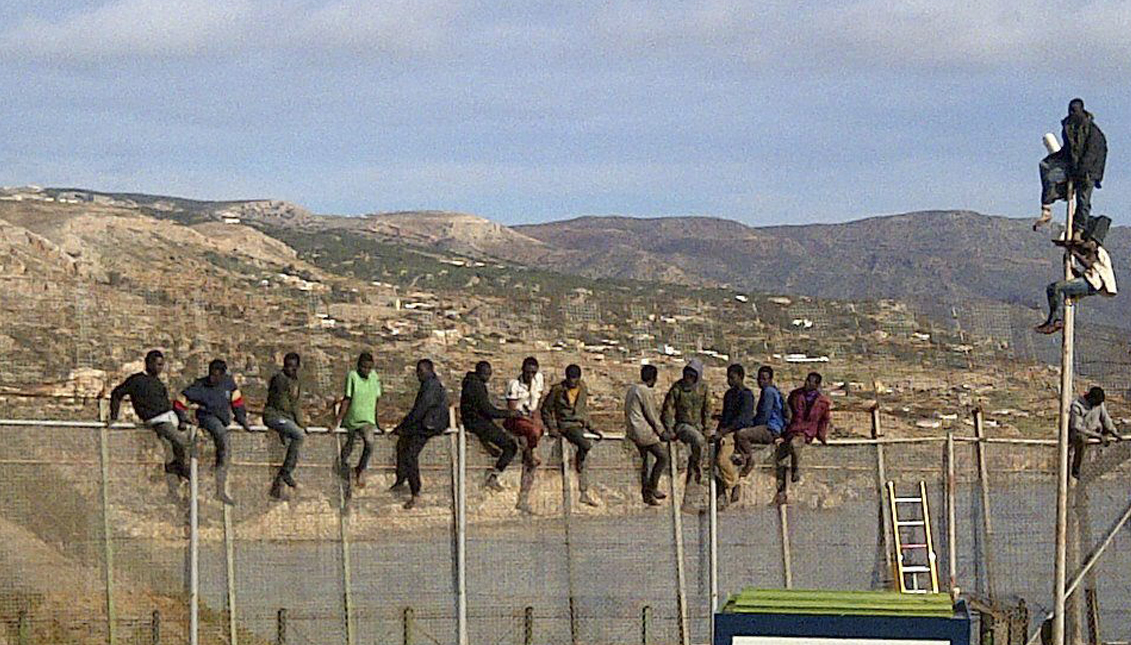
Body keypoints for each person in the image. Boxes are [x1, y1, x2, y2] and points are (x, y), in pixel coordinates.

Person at [109, 349, 191, 481]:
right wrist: (113, 417)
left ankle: (173, 489)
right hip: (158, 420)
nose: (160, 368)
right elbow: (116, 394)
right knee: (182, 442)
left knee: (170, 453)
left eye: (161, 365)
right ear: (148, 363)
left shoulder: (158, 383)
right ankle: (182, 468)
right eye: (158, 364)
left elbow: (167, 403)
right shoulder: (136, 380)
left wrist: (180, 419)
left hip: (169, 417)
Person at [179, 359, 251, 505]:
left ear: (223, 375)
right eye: (211, 375)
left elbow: (237, 403)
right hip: (207, 417)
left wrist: (242, 419)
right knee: (221, 435)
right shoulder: (200, 384)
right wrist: (182, 417)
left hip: (223, 419)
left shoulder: (229, 384)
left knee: (224, 454)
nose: (213, 378)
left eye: (217, 375)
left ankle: (220, 489)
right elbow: (181, 399)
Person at [1037, 98, 1107, 235]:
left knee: (1083, 200)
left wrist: (1083, 171)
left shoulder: (1093, 132)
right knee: (1048, 169)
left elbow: (1092, 153)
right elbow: (1069, 150)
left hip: (1089, 172)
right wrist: (1055, 158)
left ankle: (1078, 230)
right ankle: (1047, 207)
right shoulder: (1069, 128)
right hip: (1073, 167)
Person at [391, 359, 449, 509]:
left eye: (420, 371)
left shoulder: (430, 385)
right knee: (403, 444)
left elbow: (420, 409)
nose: (418, 375)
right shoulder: (430, 383)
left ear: (429, 370)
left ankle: (415, 492)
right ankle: (401, 479)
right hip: (427, 422)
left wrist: (403, 425)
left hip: (429, 425)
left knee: (410, 454)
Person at [542, 364, 602, 507]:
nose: (572, 382)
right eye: (570, 378)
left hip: (579, 425)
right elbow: (546, 409)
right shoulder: (558, 390)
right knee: (585, 445)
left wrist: (592, 428)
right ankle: (578, 463)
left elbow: (583, 411)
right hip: (567, 425)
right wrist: (552, 427)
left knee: (584, 457)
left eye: (574, 378)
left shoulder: (582, 388)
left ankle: (583, 491)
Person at [1035, 238, 1117, 334]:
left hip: (1093, 285)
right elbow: (1092, 272)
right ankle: (1052, 320)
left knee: (1056, 288)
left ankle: (1056, 320)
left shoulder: (1098, 251)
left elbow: (1088, 264)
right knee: (1059, 290)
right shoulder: (1093, 252)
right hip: (1092, 284)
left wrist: (1074, 252)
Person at [460, 361, 519, 492]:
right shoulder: (476, 386)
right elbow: (488, 411)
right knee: (511, 446)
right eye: (486, 374)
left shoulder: (470, 383)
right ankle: (493, 476)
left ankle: (490, 451)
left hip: (475, 421)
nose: (488, 377)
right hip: (477, 423)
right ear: (480, 372)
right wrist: (509, 414)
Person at [775, 372, 832, 505]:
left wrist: (821, 435)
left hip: (807, 431)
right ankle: (782, 488)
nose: (807, 383)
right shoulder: (796, 395)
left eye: (811, 382)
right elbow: (787, 414)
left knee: (796, 445)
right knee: (782, 456)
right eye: (807, 380)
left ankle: (796, 469)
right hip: (793, 429)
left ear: (816, 385)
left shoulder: (822, 402)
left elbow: (824, 420)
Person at [332, 352, 382, 491]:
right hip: (354, 420)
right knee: (350, 445)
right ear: (359, 366)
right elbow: (347, 398)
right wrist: (337, 421)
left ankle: (361, 468)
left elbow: (377, 399)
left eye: (369, 368)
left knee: (369, 442)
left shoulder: (374, 377)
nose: (366, 371)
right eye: (364, 367)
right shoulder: (352, 376)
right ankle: (340, 467)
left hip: (367, 420)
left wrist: (378, 421)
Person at [504, 357, 545, 513]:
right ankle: (531, 452)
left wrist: (536, 418)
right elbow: (513, 410)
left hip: (530, 417)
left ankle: (524, 497)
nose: (530, 375)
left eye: (533, 372)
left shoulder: (537, 381)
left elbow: (536, 404)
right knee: (532, 432)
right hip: (517, 419)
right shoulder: (514, 384)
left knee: (537, 430)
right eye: (528, 372)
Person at [624, 364, 669, 506]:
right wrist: (661, 432)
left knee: (645, 463)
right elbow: (651, 415)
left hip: (632, 430)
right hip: (642, 431)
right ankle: (653, 487)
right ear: (654, 378)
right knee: (663, 457)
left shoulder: (632, 389)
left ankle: (646, 494)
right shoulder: (645, 391)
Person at [263, 352, 306, 500]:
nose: (290, 369)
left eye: (293, 367)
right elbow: (284, 404)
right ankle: (285, 472)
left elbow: (296, 404)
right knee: (299, 435)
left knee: (292, 446)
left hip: (286, 418)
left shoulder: (296, 382)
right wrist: (299, 423)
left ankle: (279, 484)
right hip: (275, 416)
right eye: (288, 366)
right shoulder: (280, 380)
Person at [713, 364, 758, 504]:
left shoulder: (746, 395)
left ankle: (734, 483)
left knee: (722, 460)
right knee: (714, 462)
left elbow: (743, 420)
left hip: (734, 433)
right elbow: (727, 416)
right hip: (726, 431)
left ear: (740, 377)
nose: (729, 381)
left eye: (732, 377)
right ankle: (723, 490)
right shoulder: (729, 394)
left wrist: (723, 432)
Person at [661, 359, 710, 485]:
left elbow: (707, 409)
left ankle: (695, 467)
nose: (688, 378)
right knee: (698, 440)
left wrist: (707, 428)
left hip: (698, 426)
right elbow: (668, 409)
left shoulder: (703, 388)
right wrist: (669, 429)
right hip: (683, 425)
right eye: (687, 375)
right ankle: (697, 466)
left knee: (701, 442)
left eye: (692, 376)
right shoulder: (678, 388)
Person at [1069, 386, 1122, 479]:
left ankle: (1099, 459)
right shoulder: (1077, 405)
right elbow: (1077, 426)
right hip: (1080, 433)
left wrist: (1115, 432)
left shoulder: (1099, 405)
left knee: (1107, 430)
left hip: (1095, 430)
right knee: (1082, 439)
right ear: (1091, 398)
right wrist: (1097, 435)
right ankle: (1076, 468)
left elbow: (1106, 419)